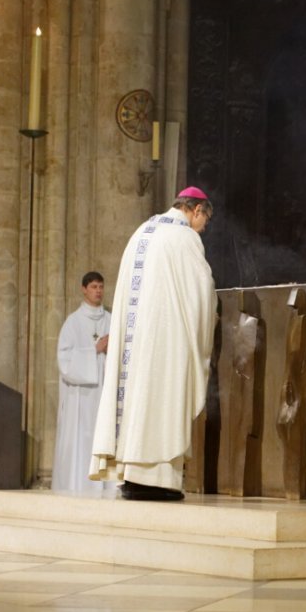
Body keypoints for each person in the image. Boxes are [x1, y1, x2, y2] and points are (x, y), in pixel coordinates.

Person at [89, 187, 217, 501]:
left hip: (136, 340)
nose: (203, 228)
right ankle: (157, 479)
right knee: (161, 399)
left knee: (136, 400)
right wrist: (211, 315)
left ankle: (131, 475)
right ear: (196, 209)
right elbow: (202, 292)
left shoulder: (143, 231)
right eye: (205, 220)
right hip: (164, 337)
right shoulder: (184, 237)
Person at [52, 271, 112, 497]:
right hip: (81, 399)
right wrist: (95, 349)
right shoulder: (73, 322)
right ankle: (78, 487)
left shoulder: (110, 319)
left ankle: (108, 487)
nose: (98, 291)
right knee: (81, 443)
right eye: (94, 287)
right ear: (84, 289)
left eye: (101, 286)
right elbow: (64, 361)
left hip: (104, 395)